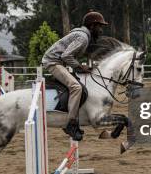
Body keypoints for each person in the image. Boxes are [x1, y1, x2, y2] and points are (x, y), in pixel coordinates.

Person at [42, 11, 108, 140]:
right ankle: (70, 124)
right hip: (53, 62)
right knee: (76, 87)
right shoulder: (82, 37)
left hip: (59, 61)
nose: (101, 30)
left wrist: (82, 67)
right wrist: (79, 66)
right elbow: (66, 56)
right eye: (99, 26)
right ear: (92, 26)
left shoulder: (83, 35)